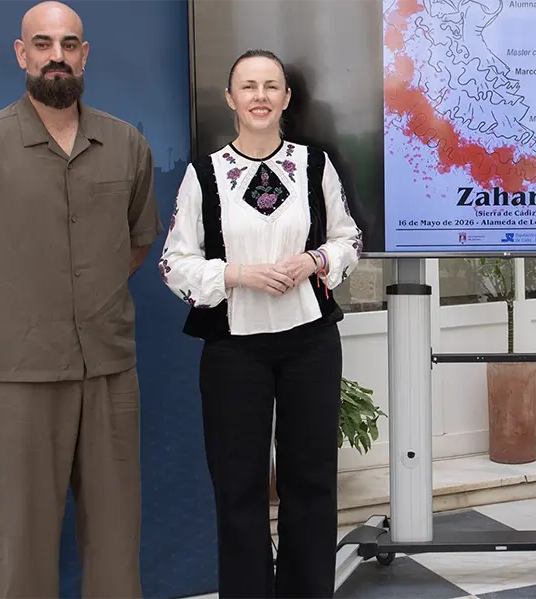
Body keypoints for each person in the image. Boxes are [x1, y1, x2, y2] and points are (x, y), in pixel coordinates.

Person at [0, 2, 157, 598]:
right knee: (23, 543)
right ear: (21, 53)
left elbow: (135, 243)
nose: (58, 55)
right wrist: (15, 318)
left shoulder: (127, 145)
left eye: (70, 43)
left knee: (116, 540)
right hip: (19, 376)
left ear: (85, 54)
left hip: (109, 370)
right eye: (44, 43)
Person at [158, 49, 362, 599]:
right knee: (239, 486)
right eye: (248, 87)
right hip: (233, 350)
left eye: (271, 86)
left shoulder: (316, 166)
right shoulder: (204, 174)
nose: (260, 97)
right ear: (230, 99)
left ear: (287, 98)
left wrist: (315, 261)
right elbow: (174, 264)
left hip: (311, 344)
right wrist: (238, 274)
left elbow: (349, 240)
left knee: (312, 481)